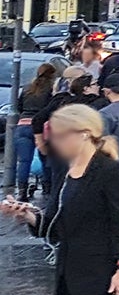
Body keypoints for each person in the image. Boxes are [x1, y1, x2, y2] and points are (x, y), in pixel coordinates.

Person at [0, 103, 119, 295]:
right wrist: (28, 215)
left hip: (98, 276)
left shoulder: (111, 171)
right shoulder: (65, 170)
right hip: (67, 274)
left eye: (60, 136)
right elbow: (56, 226)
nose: (54, 142)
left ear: (84, 134)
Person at [34, 67, 94, 198]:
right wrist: (41, 144)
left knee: (61, 185)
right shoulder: (62, 99)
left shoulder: (62, 98)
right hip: (64, 149)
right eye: (83, 78)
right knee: (61, 186)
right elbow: (38, 119)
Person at [11, 62, 58, 199]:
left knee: (24, 161)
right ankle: (47, 189)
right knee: (46, 159)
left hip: (22, 126)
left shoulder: (27, 88)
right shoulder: (51, 89)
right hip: (42, 127)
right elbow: (51, 109)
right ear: (52, 75)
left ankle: (22, 192)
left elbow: (18, 107)